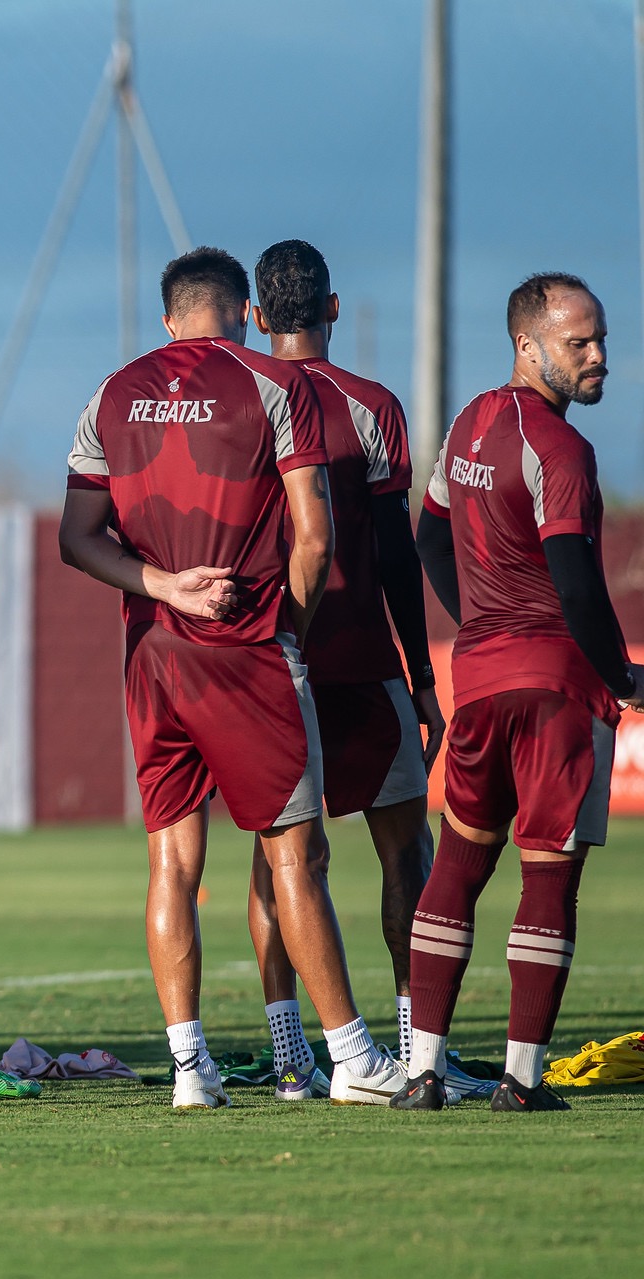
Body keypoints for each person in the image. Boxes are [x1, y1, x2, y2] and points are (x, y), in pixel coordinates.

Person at [59, 246, 405, 1109]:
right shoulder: (274, 387)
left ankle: (189, 1071)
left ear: (171, 318)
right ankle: (353, 1057)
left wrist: (164, 586)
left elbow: (77, 539)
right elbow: (314, 539)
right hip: (247, 654)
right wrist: (287, 630)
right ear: (244, 312)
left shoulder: (110, 393)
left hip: (152, 655)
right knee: (299, 854)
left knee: (172, 863)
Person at [400, 273, 634, 1113]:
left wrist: (482, 625)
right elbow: (576, 586)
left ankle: (421, 1072)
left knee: (457, 863)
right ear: (528, 347)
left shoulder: (467, 423)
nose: (600, 356)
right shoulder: (562, 449)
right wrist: (623, 676)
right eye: (581, 344)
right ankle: (520, 1080)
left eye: (601, 338)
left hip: (483, 684)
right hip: (556, 696)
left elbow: (427, 537)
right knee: (548, 879)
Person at [243, 241, 445, 1099]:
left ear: (254, 315)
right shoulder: (372, 406)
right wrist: (424, 677)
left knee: (277, 855)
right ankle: (416, 1046)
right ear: (331, 308)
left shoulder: (234, 399)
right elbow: (398, 554)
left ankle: (292, 1050)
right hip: (365, 663)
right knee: (406, 851)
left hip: (265, 660)